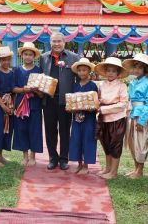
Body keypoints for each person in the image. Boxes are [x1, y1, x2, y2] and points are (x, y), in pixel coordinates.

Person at [39, 32, 80, 170]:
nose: (56, 44)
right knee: (50, 130)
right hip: (48, 100)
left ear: (64, 42)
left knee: (64, 131)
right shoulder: (43, 57)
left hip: (65, 101)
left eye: (59, 41)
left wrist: (77, 100)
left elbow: (79, 80)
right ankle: (52, 158)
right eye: (53, 41)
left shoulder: (73, 58)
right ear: (50, 43)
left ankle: (64, 159)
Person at [122, 53, 148, 179]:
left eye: (140, 67)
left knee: (141, 142)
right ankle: (136, 167)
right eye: (135, 67)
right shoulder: (132, 82)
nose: (137, 70)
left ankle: (140, 170)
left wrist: (142, 121)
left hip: (141, 116)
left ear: (145, 70)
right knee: (132, 142)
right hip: (131, 114)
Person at [95, 57, 129, 179]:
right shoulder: (102, 85)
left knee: (115, 144)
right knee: (106, 143)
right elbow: (98, 100)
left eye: (113, 71)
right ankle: (108, 168)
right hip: (103, 119)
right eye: (108, 70)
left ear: (118, 73)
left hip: (117, 119)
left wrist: (104, 109)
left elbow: (123, 104)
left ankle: (114, 172)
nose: (110, 73)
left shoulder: (122, 86)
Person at [12, 42, 44, 166]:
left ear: (34, 56)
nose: (28, 57)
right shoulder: (17, 70)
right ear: (22, 55)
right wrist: (24, 90)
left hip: (35, 105)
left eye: (31, 54)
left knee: (34, 130)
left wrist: (36, 91)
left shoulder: (39, 70)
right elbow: (13, 88)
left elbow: (42, 93)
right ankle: (24, 155)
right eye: (26, 54)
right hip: (20, 106)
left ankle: (33, 156)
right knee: (21, 129)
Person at [68, 58, 98, 175]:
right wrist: (70, 108)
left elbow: (95, 104)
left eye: (84, 70)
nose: (82, 73)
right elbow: (71, 101)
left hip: (89, 118)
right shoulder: (75, 86)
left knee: (88, 140)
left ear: (89, 71)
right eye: (79, 70)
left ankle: (86, 165)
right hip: (76, 118)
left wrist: (90, 107)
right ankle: (79, 164)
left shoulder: (93, 86)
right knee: (76, 140)